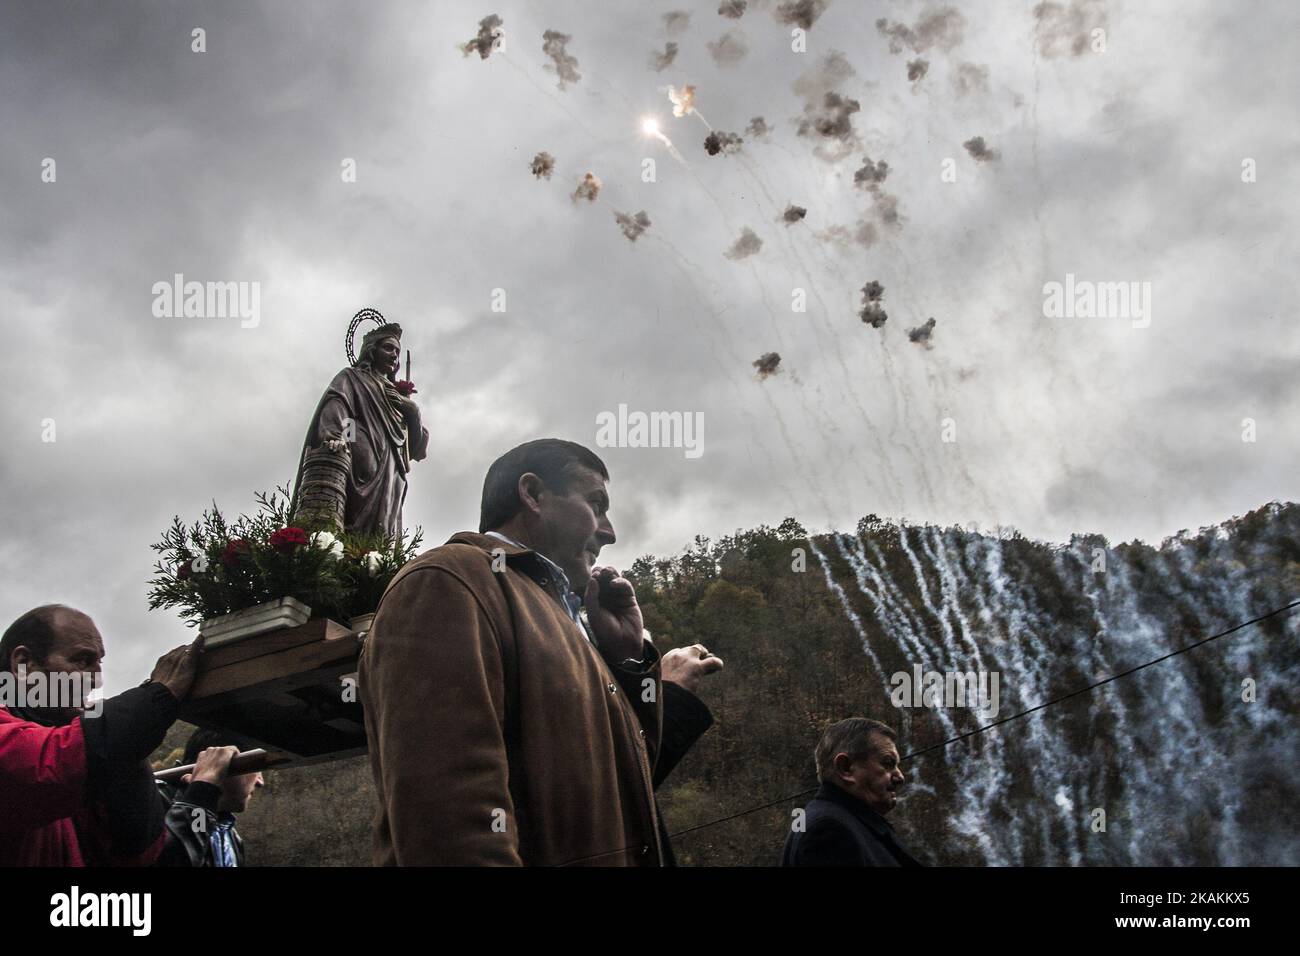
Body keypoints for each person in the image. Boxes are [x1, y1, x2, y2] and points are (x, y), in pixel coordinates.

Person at [360, 438, 665, 865]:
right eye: (596, 504)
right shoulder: (450, 581)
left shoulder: (569, 623)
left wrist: (627, 660)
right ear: (533, 494)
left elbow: (627, 792)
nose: (609, 531)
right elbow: (454, 828)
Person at [0, 604, 201, 866]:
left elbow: (137, 856)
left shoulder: (75, 777)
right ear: (25, 663)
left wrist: (128, 752)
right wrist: (158, 697)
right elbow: (52, 764)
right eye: (82, 661)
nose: (96, 681)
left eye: (99, 662)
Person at [291, 321, 429, 541]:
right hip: (362, 448)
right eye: (388, 348)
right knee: (354, 509)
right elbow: (339, 404)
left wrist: (413, 411)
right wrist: (338, 437)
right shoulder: (352, 377)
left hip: (393, 465)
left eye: (397, 351)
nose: (394, 355)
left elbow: (416, 449)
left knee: (385, 521)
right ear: (372, 350)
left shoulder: (400, 397)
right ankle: (341, 549)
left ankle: (375, 559)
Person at [781, 717, 923, 867]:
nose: (900, 777)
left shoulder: (835, 821)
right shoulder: (828, 832)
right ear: (846, 768)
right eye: (887, 763)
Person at [156, 729, 265, 867]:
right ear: (220, 766)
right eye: (256, 770)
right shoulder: (153, 808)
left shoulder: (231, 836)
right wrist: (203, 788)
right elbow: (178, 857)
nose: (260, 782)